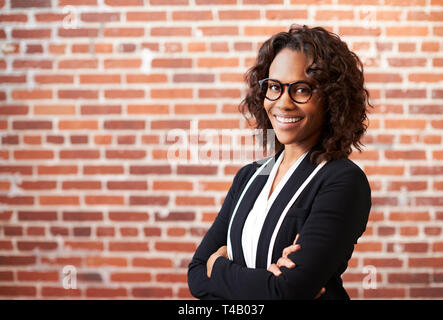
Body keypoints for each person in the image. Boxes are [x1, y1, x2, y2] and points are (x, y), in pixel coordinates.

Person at [187, 24, 372, 300]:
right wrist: (267, 283)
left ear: (332, 99)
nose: (283, 102)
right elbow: (197, 275)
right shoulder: (249, 177)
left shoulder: (342, 181)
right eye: (274, 87)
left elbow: (287, 291)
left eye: (301, 89)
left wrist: (219, 267)